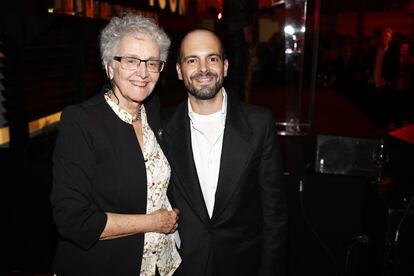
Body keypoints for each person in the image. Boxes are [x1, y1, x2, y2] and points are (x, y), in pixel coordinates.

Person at [50, 13, 181, 276]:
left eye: (152, 63)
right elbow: (72, 221)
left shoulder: (151, 110)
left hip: (161, 267)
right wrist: (152, 222)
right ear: (109, 66)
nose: (143, 73)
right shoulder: (81, 121)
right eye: (131, 61)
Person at [162, 28, 287, 276]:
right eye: (191, 60)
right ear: (179, 71)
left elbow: (275, 216)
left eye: (212, 58)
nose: (203, 68)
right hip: (184, 267)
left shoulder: (259, 123)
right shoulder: (161, 126)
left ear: (226, 66)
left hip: (243, 266)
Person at [222, 0, 259, 101]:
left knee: (237, 69)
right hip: (238, 26)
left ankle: (235, 103)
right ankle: (237, 104)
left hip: (237, 25)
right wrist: (246, 25)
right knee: (238, 69)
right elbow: (239, 4)